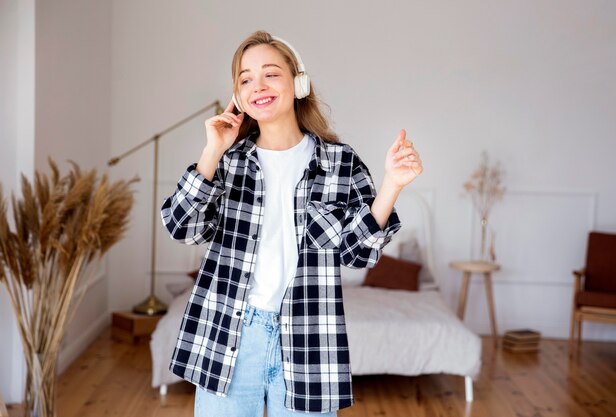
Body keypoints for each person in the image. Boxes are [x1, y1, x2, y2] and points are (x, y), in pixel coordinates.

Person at [160, 30, 422, 417]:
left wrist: (392, 186)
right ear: (237, 95)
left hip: (307, 338)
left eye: (271, 74)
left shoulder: (339, 162)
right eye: (245, 79)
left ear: (299, 82)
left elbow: (356, 255)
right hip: (229, 333)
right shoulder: (227, 161)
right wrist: (213, 149)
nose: (258, 86)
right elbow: (182, 227)